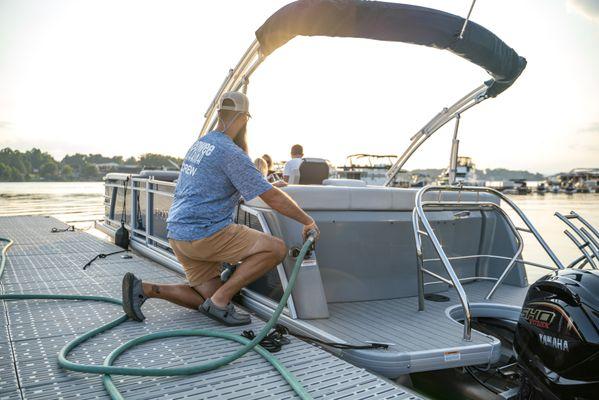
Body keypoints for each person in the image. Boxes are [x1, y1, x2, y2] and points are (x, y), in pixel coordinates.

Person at [121, 91, 319, 326]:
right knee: (275, 248)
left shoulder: (202, 144)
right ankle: (221, 300)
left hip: (178, 233)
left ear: (219, 115)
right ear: (244, 119)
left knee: (205, 297)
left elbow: (215, 185)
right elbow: (273, 198)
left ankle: (144, 289)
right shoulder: (231, 152)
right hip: (205, 234)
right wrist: (306, 220)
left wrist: (262, 184)